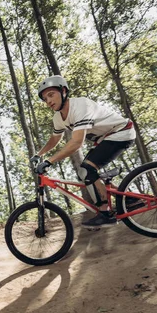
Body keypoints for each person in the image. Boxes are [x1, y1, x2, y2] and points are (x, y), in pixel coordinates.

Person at [30, 75, 136, 227]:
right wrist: (39, 154)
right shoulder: (58, 118)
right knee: (85, 173)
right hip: (105, 139)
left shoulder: (80, 105)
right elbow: (55, 138)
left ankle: (105, 213)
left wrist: (49, 161)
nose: (48, 101)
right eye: (45, 99)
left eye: (51, 94)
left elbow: (77, 142)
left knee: (87, 169)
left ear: (64, 91)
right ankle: (130, 198)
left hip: (121, 132)